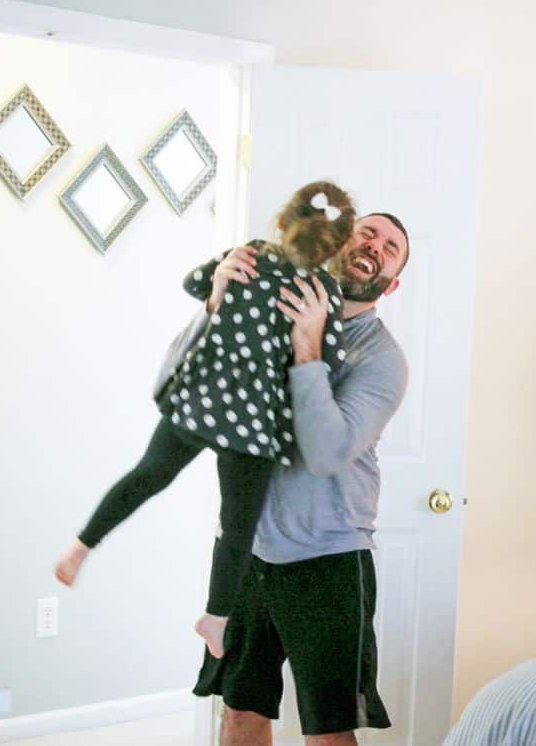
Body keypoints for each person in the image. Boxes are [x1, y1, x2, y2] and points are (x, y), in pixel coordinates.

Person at [55, 182, 357, 659]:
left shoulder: (249, 254)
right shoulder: (323, 294)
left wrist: (221, 284)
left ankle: (80, 547)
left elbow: (193, 284)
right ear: (338, 247)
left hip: (203, 398)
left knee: (148, 474)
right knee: (237, 524)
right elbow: (331, 362)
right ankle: (215, 618)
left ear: (283, 221)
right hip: (255, 425)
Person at [194, 212, 412, 745]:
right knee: (239, 713)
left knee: (328, 733)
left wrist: (308, 341)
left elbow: (328, 450)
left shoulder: (382, 359)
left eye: (391, 247)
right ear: (340, 241)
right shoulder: (277, 298)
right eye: (368, 232)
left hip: (330, 561)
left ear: (393, 281)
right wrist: (218, 292)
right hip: (250, 556)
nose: (375, 246)